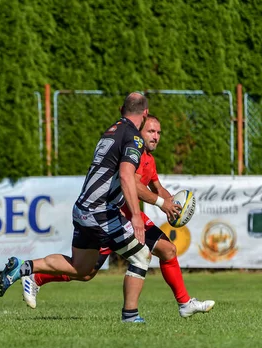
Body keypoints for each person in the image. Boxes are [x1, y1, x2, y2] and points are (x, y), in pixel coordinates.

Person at [21, 115, 215, 317]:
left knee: (167, 250)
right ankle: (37, 278)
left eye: (159, 133)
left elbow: (157, 188)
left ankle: (184, 303)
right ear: (139, 131)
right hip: (114, 218)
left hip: (128, 217)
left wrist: (174, 205)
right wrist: (161, 203)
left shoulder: (149, 158)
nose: (156, 136)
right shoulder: (134, 155)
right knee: (86, 271)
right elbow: (133, 185)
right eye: (151, 131)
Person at [0, 92, 153, 322]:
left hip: (82, 209)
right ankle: (130, 315)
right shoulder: (133, 137)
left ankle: (24, 267)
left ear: (121, 110)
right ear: (146, 113)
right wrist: (137, 216)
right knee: (141, 256)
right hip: (101, 211)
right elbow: (126, 175)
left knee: (81, 268)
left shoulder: (110, 132)